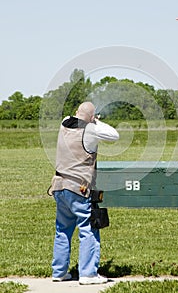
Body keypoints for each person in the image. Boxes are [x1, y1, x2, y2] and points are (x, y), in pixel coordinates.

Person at [50, 101, 119, 285]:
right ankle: (88, 274)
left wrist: (88, 118)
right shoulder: (91, 129)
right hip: (78, 188)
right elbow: (114, 135)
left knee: (62, 230)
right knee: (88, 229)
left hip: (58, 185)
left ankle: (59, 272)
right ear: (91, 117)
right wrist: (95, 122)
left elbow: (76, 119)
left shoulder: (65, 122)